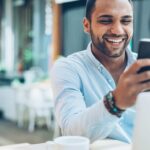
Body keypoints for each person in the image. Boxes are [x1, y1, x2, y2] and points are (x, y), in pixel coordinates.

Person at [51, 0, 150, 143]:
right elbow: (71, 132)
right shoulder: (68, 68)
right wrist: (115, 102)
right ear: (86, 25)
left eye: (126, 21)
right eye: (106, 21)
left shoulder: (144, 67)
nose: (117, 30)